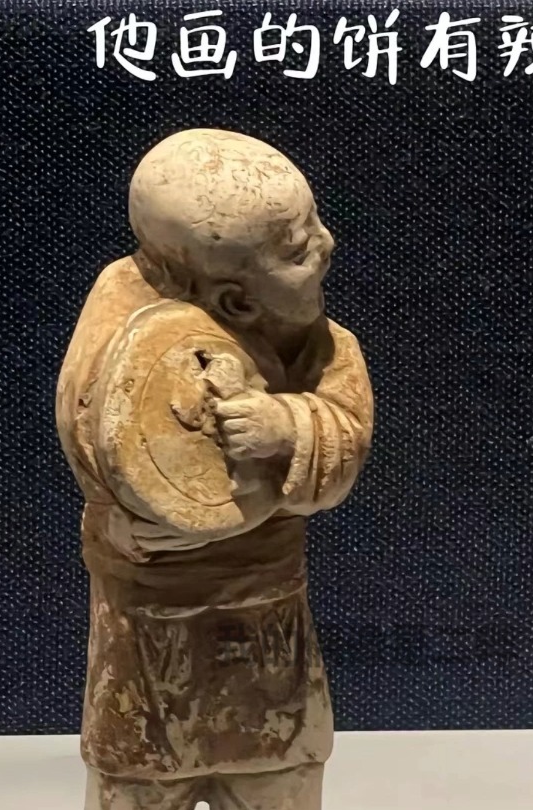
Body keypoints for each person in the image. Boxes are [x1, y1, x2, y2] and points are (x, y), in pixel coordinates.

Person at [56, 128, 374, 810]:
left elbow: (347, 435)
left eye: (316, 222)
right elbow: (89, 423)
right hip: (146, 609)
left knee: (278, 772)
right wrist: (121, 524)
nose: (327, 244)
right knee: (138, 776)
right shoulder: (119, 307)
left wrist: (284, 426)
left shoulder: (322, 346)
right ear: (235, 300)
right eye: (298, 248)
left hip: (266, 609)